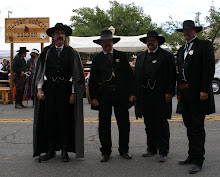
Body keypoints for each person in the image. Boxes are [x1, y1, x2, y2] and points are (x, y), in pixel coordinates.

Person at [33, 23, 85, 162]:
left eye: (62, 33)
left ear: (65, 36)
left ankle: (64, 149)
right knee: (49, 120)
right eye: (57, 33)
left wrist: (74, 93)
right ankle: (50, 149)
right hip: (49, 90)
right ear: (53, 36)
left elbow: (76, 75)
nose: (60, 36)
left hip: (65, 91)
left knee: (64, 120)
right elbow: (40, 72)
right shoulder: (46, 52)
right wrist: (39, 88)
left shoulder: (72, 53)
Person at [89, 29, 135, 162]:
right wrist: (93, 97)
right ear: (101, 43)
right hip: (104, 95)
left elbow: (129, 77)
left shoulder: (121, 56)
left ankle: (124, 150)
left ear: (112, 42)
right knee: (104, 124)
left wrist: (132, 93)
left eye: (109, 41)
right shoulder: (97, 59)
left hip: (121, 94)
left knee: (124, 124)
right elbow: (92, 80)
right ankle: (105, 151)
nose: (107, 43)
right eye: (104, 41)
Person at [176, 20, 215, 174]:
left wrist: (205, 89)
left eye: (189, 30)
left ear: (195, 31)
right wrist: (179, 91)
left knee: (197, 127)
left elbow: (209, 67)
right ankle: (191, 155)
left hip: (198, 93)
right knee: (189, 125)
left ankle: (199, 159)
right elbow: (179, 72)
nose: (186, 32)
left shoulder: (204, 45)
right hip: (185, 93)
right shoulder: (181, 49)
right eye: (184, 30)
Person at [135, 31, 175, 162]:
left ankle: (163, 151)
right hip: (145, 96)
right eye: (148, 40)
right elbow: (136, 77)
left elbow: (171, 76)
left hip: (160, 95)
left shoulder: (166, 56)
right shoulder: (141, 57)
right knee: (149, 123)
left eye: (152, 40)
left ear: (157, 41)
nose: (149, 42)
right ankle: (151, 148)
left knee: (162, 123)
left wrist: (169, 92)